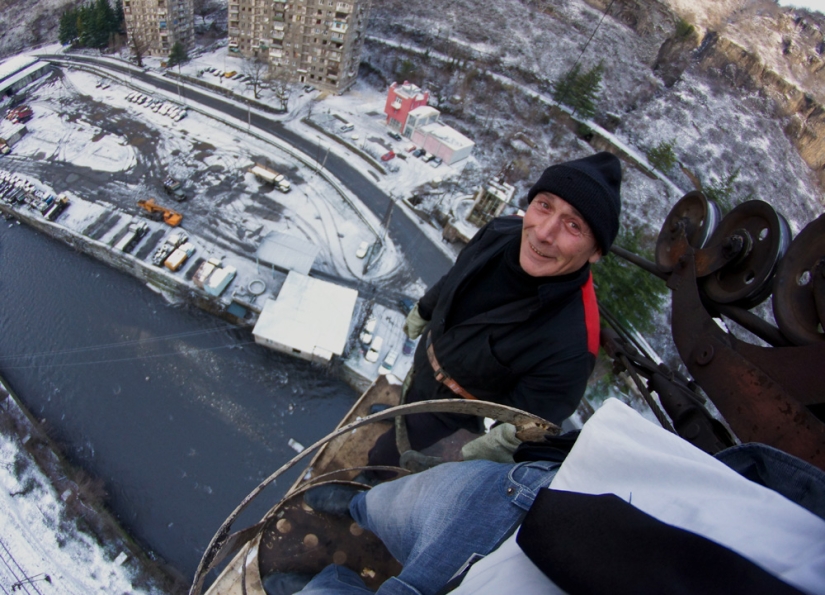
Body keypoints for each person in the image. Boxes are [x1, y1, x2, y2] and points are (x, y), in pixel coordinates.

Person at [274, 398, 825, 595]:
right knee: (394, 503)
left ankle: (326, 574)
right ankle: (359, 510)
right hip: (518, 513)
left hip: (530, 520)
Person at [369, 152, 623, 469]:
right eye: (544, 205)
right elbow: (455, 277)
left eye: (573, 225)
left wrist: (469, 455)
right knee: (405, 404)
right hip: (425, 364)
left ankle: (367, 481)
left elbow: (521, 431)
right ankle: (397, 415)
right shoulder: (500, 232)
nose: (544, 233)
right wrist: (424, 309)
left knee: (386, 455)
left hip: (450, 416)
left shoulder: (570, 346)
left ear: (596, 251)